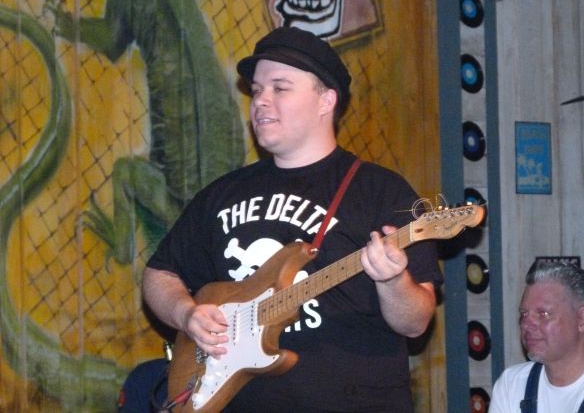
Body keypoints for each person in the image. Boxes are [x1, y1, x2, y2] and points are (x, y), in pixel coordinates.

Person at [142, 26, 442, 412]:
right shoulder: (221, 194)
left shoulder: (381, 192)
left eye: (280, 88)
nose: (260, 101)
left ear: (325, 100)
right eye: (256, 90)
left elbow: (415, 323)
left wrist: (393, 280)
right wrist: (186, 315)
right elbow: (159, 274)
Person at [490, 261, 584, 412]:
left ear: (581, 319)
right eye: (524, 314)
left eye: (543, 314)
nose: (526, 325)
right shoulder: (512, 385)